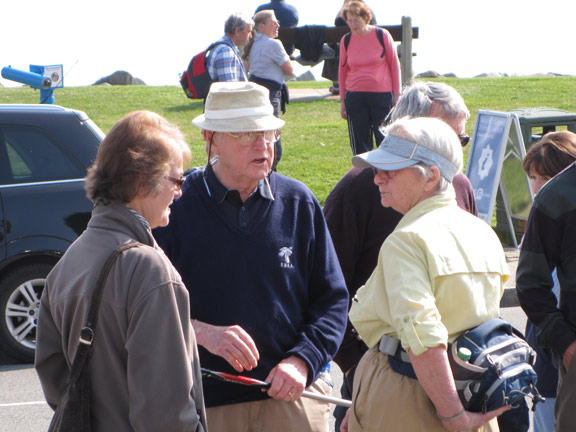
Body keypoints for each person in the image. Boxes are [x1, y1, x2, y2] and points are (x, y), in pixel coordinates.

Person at [153, 81, 349, 432]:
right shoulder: (172, 208)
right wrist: (200, 332)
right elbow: (142, 306)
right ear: (210, 137)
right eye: (246, 134)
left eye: (269, 132)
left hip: (292, 399)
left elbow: (332, 301)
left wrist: (302, 361)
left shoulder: (299, 203)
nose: (263, 145)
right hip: (202, 402)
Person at [35, 111, 207, 432]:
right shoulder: (148, 268)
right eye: (177, 180)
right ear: (144, 183)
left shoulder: (70, 260)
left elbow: (54, 375)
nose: (180, 191)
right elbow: (165, 415)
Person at [324, 81, 478, 432]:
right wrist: (359, 368)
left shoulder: (461, 187)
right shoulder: (358, 189)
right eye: (444, 138)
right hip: (381, 372)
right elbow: (326, 286)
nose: (454, 150)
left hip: (458, 377)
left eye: (461, 141)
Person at [340, 116, 510, 431]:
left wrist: (453, 416)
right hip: (470, 389)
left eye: (389, 169)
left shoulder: (407, 240)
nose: (377, 178)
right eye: (377, 169)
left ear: (431, 176)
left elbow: (423, 338)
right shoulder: (482, 232)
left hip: (413, 393)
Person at [517, 131, 576, 432]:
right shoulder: (551, 206)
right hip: (557, 363)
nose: (538, 187)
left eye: (545, 177)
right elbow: (531, 288)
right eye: (533, 178)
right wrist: (566, 345)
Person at [338, 1, 401, 155]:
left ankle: (387, 175)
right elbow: (342, 70)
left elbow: (394, 64)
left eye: (356, 20)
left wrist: (397, 94)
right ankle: (363, 176)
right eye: (349, 20)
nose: (353, 24)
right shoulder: (346, 40)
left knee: (385, 139)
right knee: (360, 144)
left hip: (382, 95)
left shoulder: (382, 35)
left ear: (365, 18)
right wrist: (342, 100)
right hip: (355, 96)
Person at [245, 9, 293, 165]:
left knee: (258, 132)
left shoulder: (251, 43)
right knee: (272, 135)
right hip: (270, 93)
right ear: (262, 26)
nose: (277, 25)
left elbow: (247, 67)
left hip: (253, 91)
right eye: (274, 22)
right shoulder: (273, 44)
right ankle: (271, 174)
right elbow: (290, 70)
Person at [322, 0, 377, 96]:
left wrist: (344, 4)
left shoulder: (349, 12)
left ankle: (336, 82)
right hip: (370, 49)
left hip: (355, 48)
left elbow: (338, 21)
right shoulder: (367, 10)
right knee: (336, 48)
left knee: (334, 49)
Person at [206, 13, 254, 83]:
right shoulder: (226, 51)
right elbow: (229, 90)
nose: (251, 36)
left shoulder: (223, 48)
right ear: (237, 31)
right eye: (249, 32)